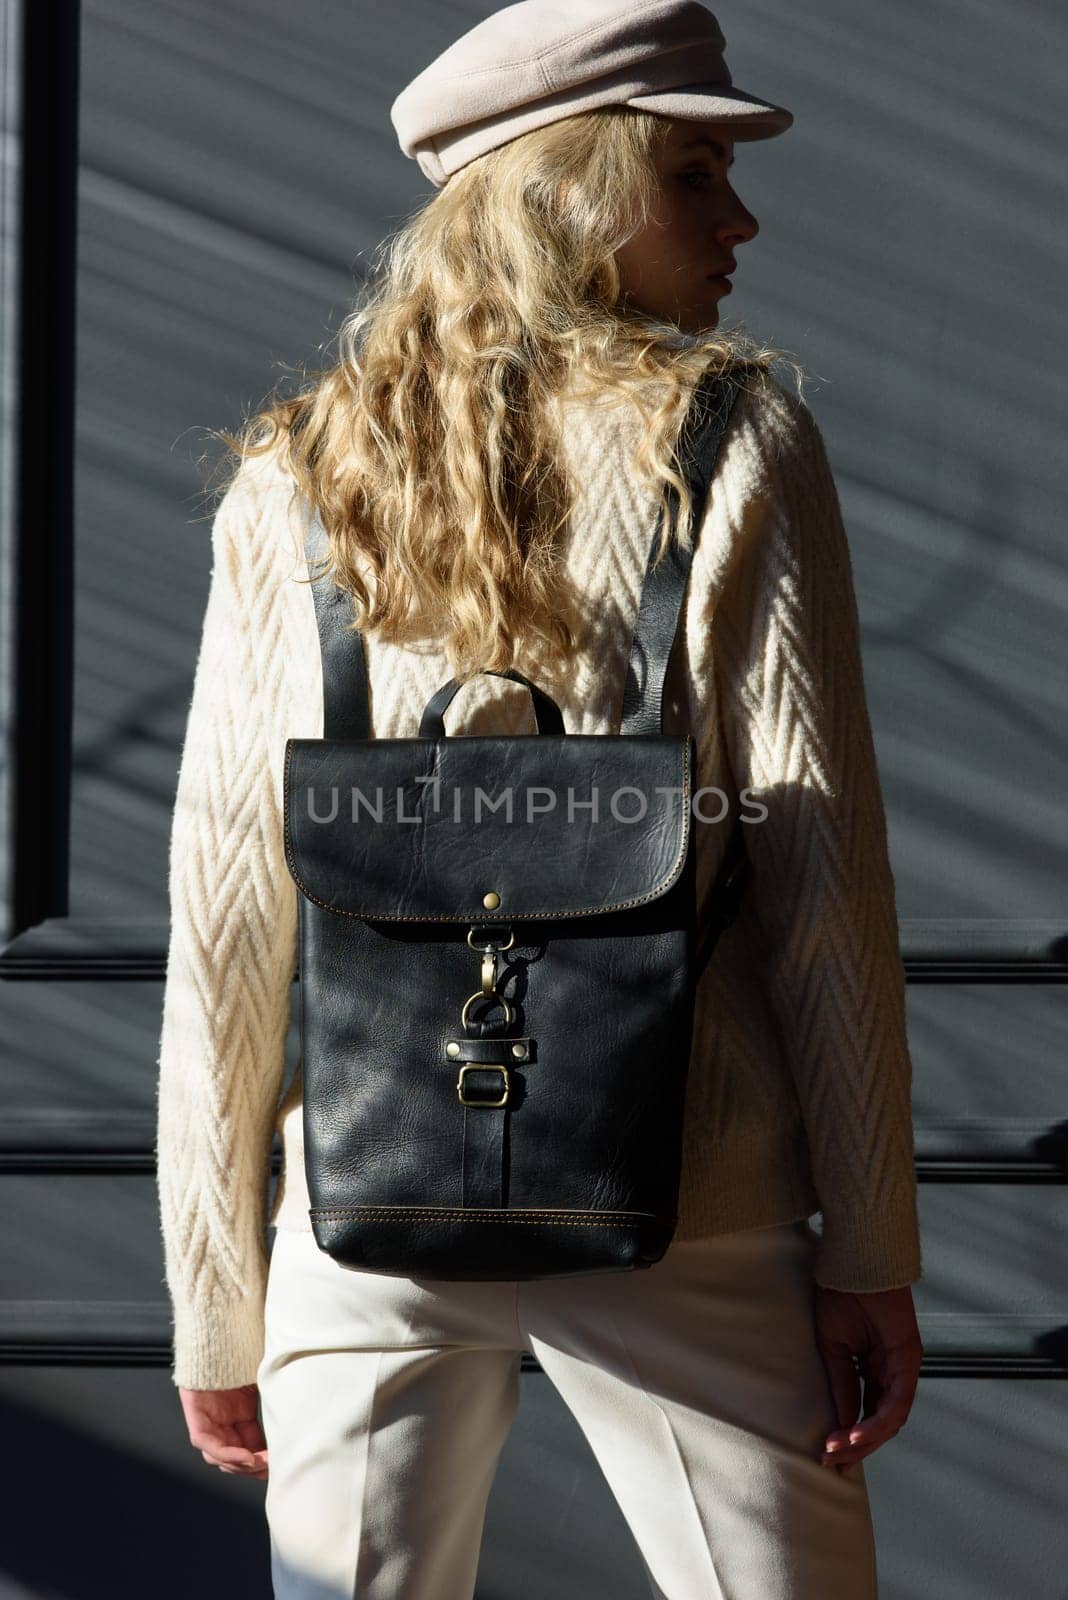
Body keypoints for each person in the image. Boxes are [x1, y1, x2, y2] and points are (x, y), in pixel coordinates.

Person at [155, 3, 924, 1596]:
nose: (741, 219)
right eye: (695, 173)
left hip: (367, 1208)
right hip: (687, 1204)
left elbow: (231, 908)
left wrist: (217, 1297)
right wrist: (868, 1253)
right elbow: (813, 871)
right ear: (569, 189)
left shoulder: (295, 474)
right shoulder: (734, 439)